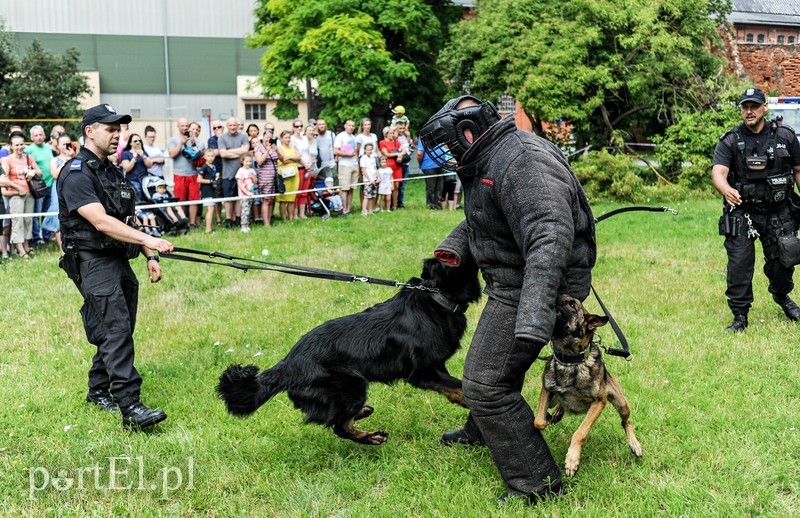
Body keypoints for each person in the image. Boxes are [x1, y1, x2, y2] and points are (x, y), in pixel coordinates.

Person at [419, 95, 596, 504]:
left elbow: (548, 235)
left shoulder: (521, 162)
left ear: (469, 132)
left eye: (449, 142)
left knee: (484, 383)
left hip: (537, 284)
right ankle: (482, 430)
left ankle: (537, 483)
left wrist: (535, 315)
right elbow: (488, 215)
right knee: (494, 364)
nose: (447, 153)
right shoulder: (492, 156)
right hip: (513, 280)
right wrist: (453, 248)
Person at [57, 104, 174, 430]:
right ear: (89, 131)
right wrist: (148, 239)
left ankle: (98, 391)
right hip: (92, 260)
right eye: (110, 129)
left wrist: (149, 254)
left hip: (118, 258)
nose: (117, 135)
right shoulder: (77, 172)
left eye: (119, 129)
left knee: (117, 327)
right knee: (116, 329)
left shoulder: (111, 170)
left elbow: (126, 219)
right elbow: (100, 221)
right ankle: (131, 408)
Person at [711, 87, 800, 332]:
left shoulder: (785, 136)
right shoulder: (730, 139)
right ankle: (740, 316)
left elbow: (798, 169)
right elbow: (718, 172)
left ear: (764, 107)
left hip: (778, 211)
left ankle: (782, 297)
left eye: (754, 106)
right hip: (743, 212)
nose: (749, 111)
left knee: (783, 263)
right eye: (745, 106)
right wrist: (725, 189)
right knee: (739, 264)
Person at [1, 131, 43, 258]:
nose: (20, 147)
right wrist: (17, 187)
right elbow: (2, 179)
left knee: (28, 219)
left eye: (21, 144)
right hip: (15, 195)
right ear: (11, 147)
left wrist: (33, 173)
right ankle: (19, 249)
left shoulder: (28, 158)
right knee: (17, 221)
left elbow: (39, 172)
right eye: (17, 145)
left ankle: (26, 245)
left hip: (29, 193)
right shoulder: (7, 160)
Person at [44, 133, 77, 251]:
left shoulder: (76, 157)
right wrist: (66, 162)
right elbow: (55, 174)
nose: (66, 146)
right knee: (58, 216)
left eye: (68, 143)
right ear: (57, 146)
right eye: (63, 144)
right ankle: (61, 248)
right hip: (58, 189)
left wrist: (73, 158)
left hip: (73, 189)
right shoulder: (54, 160)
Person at [217, 117, 250, 227]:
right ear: (227, 126)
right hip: (227, 173)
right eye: (230, 125)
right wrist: (238, 152)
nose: (232, 127)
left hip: (241, 173)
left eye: (234, 125)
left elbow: (245, 150)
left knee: (238, 197)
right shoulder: (222, 138)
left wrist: (229, 151)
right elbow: (222, 154)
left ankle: (238, 219)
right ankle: (228, 220)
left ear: (237, 125)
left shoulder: (243, 136)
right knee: (228, 199)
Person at [25, 125, 54, 244]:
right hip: (38, 187)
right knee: (37, 213)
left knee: (48, 212)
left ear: (44, 135)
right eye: (36, 135)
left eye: (40, 134)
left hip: (50, 184)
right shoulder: (29, 150)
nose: (39, 137)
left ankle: (46, 236)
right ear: (31, 137)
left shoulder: (48, 148)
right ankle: (37, 238)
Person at [334, 119, 359, 215]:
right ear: (345, 126)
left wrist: (357, 163)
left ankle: (348, 208)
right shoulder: (340, 136)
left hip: (354, 165)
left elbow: (355, 151)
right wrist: (347, 154)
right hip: (344, 165)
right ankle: (343, 209)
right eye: (349, 125)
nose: (351, 127)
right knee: (345, 188)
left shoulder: (354, 137)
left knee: (352, 188)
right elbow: (336, 151)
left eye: (353, 125)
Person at [275, 130, 302, 221]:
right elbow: (283, 160)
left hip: (294, 174)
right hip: (284, 174)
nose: (288, 139)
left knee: (291, 198)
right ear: (281, 139)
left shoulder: (293, 147)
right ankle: (284, 218)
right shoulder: (279, 148)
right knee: (283, 198)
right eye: (286, 137)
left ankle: (291, 217)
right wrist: (293, 159)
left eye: (289, 137)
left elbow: (299, 157)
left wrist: (290, 158)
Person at [254, 133, 278, 227]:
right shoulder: (259, 147)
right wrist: (267, 151)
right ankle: (266, 223)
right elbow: (259, 161)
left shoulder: (273, 146)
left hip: (274, 177)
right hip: (265, 177)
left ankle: (269, 219)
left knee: (271, 200)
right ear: (262, 137)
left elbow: (279, 158)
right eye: (267, 137)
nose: (268, 139)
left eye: (270, 137)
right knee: (266, 200)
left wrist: (276, 149)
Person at [379, 127, 404, 210]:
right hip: (388, 166)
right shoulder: (382, 142)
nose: (392, 135)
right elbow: (386, 154)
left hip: (397, 166)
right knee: (387, 185)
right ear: (386, 134)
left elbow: (404, 150)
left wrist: (400, 155)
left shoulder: (397, 142)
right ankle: (386, 205)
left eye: (393, 133)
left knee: (396, 186)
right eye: (391, 133)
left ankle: (394, 205)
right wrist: (397, 153)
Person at [120, 133, 152, 199]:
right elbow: (126, 169)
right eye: (135, 141)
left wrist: (143, 155)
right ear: (130, 143)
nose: (138, 142)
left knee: (147, 200)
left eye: (139, 141)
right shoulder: (126, 153)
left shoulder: (143, 152)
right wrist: (134, 158)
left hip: (145, 181)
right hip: (133, 181)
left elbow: (150, 165)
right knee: (138, 201)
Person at [198, 148, 221, 233]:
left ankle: (209, 228)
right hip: (206, 190)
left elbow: (214, 178)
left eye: (212, 156)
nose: (210, 158)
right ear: (205, 157)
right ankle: (208, 229)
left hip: (213, 190)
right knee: (210, 209)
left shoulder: (214, 166)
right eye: (208, 156)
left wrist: (216, 177)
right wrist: (210, 181)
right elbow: (199, 179)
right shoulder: (204, 167)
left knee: (212, 208)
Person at [417, 139, 443, 210]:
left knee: (439, 187)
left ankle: (437, 205)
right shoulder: (423, 137)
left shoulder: (439, 134)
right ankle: (431, 205)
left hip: (440, 165)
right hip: (429, 166)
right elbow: (419, 154)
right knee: (431, 187)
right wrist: (420, 164)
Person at [236, 155, 257, 233]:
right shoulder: (240, 170)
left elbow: (255, 181)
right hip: (243, 194)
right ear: (242, 162)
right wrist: (246, 192)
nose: (248, 163)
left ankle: (247, 224)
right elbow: (239, 183)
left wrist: (253, 175)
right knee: (244, 209)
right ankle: (243, 226)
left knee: (248, 209)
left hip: (251, 193)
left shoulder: (252, 170)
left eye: (250, 161)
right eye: (247, 161)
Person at [359, 142, 379, 215]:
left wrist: (378, 177)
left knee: (372, 196)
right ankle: (364, 210)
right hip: (367, 180)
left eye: (371, 149)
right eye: (368, 149)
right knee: (367, 196)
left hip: (374, 179)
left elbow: (375, 168)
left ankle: (370, 210)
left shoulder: (373, 158)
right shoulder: (363, 158)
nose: (369, 151)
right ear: (364, 150)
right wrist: (370, 179)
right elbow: (363, 170)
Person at [315, 118, 336, 183]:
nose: (322, 126)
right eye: (320, 124)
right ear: (316, 126)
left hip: (332, 164)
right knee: (322, 187)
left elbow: (336, 147)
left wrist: (336, 160)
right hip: (320, 166)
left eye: (323, 124)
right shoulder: (315, 136)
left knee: (334, 186)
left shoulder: (331, 134)